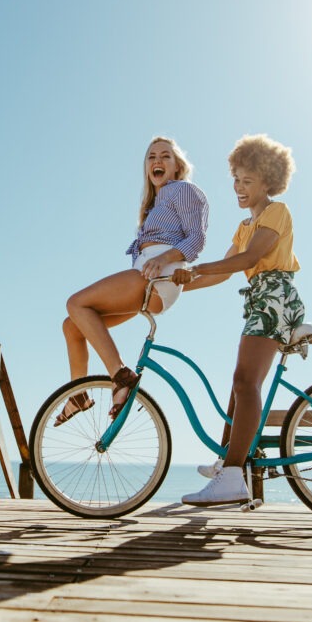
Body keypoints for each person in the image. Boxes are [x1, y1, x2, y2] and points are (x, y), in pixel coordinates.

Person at [171, 134, 305, 506]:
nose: (239, 188)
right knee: (239, 387)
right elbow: (221, 274)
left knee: (246, 383)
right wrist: (173, 291)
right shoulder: (243, 228)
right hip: (260, 301)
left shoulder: (276, 212)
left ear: (268, 182)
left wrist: (195, 267)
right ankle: (227, 464)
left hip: (275, 298)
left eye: (248, 181)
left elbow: (248, 260)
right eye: (236, 179)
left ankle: (232, 475)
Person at [56, 136, 209, 425]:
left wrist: (163, 261)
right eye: (151, 157)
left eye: (165, 156)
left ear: (177, 167)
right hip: (149, 278)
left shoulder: (183, 190)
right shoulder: (155, 203)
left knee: (75, 303)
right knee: (72, 325)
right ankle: (77, 395)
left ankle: (121, 375)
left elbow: (197, 238)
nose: (157, 161)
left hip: (157, 277)